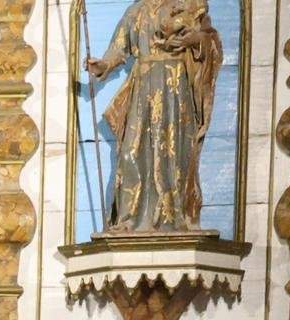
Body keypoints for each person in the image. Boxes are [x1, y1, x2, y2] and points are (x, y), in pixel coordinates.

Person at [83, 0, 222, 233]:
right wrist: (102, 65)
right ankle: (129, 219)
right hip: (142, 88)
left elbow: (210, 41)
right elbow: (118, 48)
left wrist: (193, 41)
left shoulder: (187, 6)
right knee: (130, 152)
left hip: (175, 89)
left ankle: (173, 218)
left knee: (175, 154)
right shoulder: (135, 11)